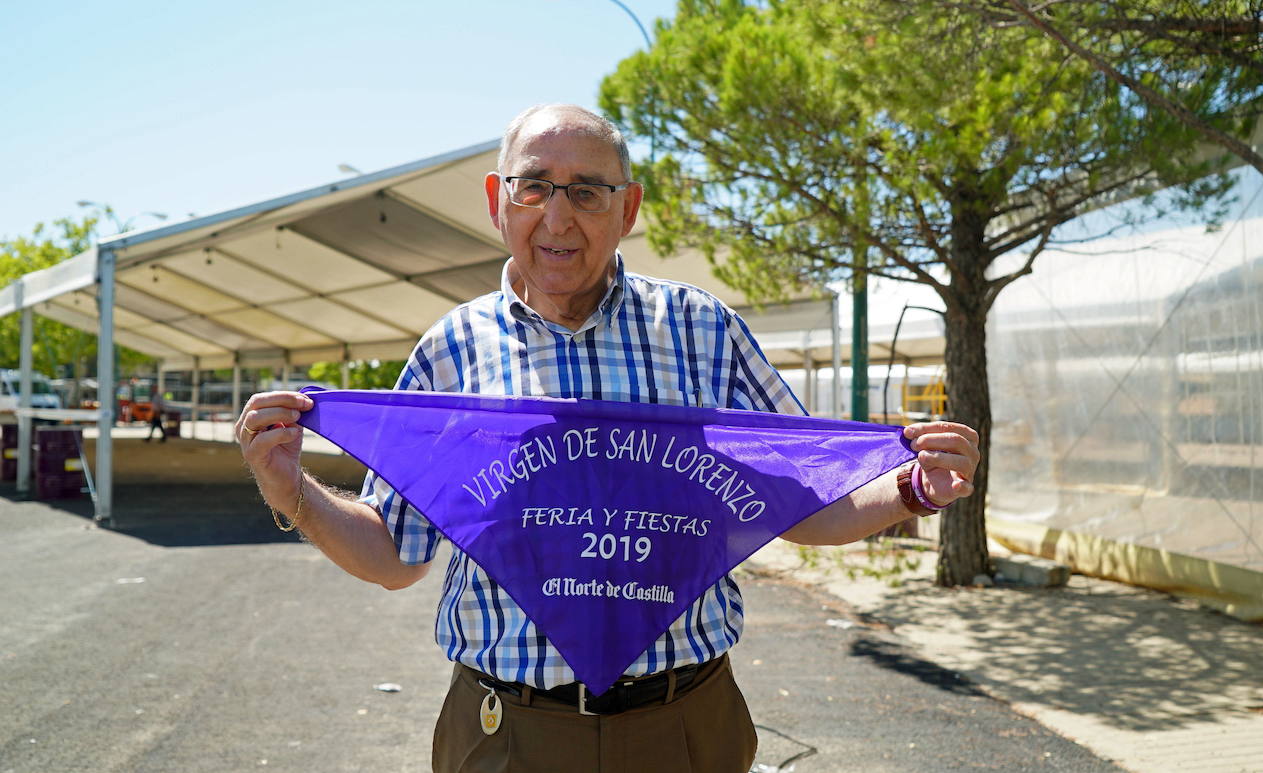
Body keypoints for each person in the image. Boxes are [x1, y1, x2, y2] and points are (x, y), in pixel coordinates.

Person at [236, 104, 980, 773]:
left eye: (587, 191)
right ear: (499, 203)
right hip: (508, 737)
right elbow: (396, 553)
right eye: (534, 186)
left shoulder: (703, 332)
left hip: (687, 727)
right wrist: (291, 492)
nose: (559, 218)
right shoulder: (450, 352)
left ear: (628, 210)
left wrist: (912, 486)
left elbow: (804, 502)